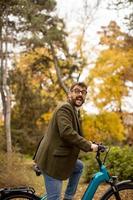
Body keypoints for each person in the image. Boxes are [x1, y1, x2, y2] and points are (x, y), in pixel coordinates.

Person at [34, 82, 98, 200]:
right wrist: (88, 145)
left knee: (78, 167)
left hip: (59, 157)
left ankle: (68, 197)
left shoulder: (74, 110)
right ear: (69, 94)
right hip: (52, 161)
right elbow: (67, 132)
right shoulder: (65, 108)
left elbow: (75, 134)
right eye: (77, 91)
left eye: (83, 92)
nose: (80, 94)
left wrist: (90, 143)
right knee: (54, 197)